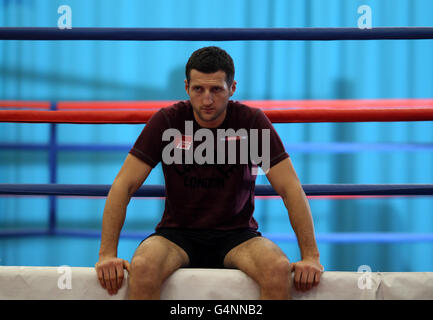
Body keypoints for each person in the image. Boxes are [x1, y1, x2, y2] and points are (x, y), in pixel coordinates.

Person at [95, 46, 323, 300]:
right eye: (198, 89)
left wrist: (311, 257)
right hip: (176, 235)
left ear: (232, 88)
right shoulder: (168, 121)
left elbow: (289, 188)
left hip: (238, 236)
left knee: (277, 269)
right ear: (186, 87)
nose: (207, 100)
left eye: (216, 89)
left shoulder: (251, 122)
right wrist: (107, 254)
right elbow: (123, 185)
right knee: (143, 267)